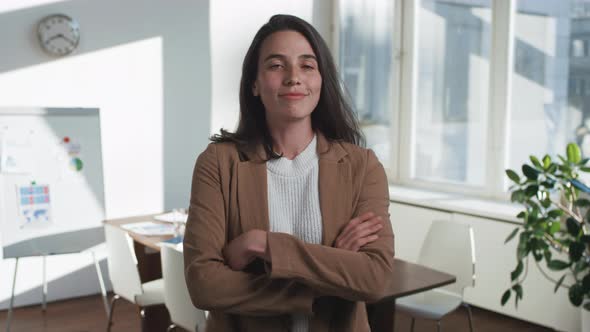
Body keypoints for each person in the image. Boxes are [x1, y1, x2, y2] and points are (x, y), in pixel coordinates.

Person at [183, 14, 394, 332]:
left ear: (322, 80)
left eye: (307, 65)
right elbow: (204, 285)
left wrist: (262, 244)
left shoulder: (362, 166)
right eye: (276, 65)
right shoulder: (218, 163)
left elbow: (374, 278)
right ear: (254, 83)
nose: (293, 77)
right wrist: (331, 267)